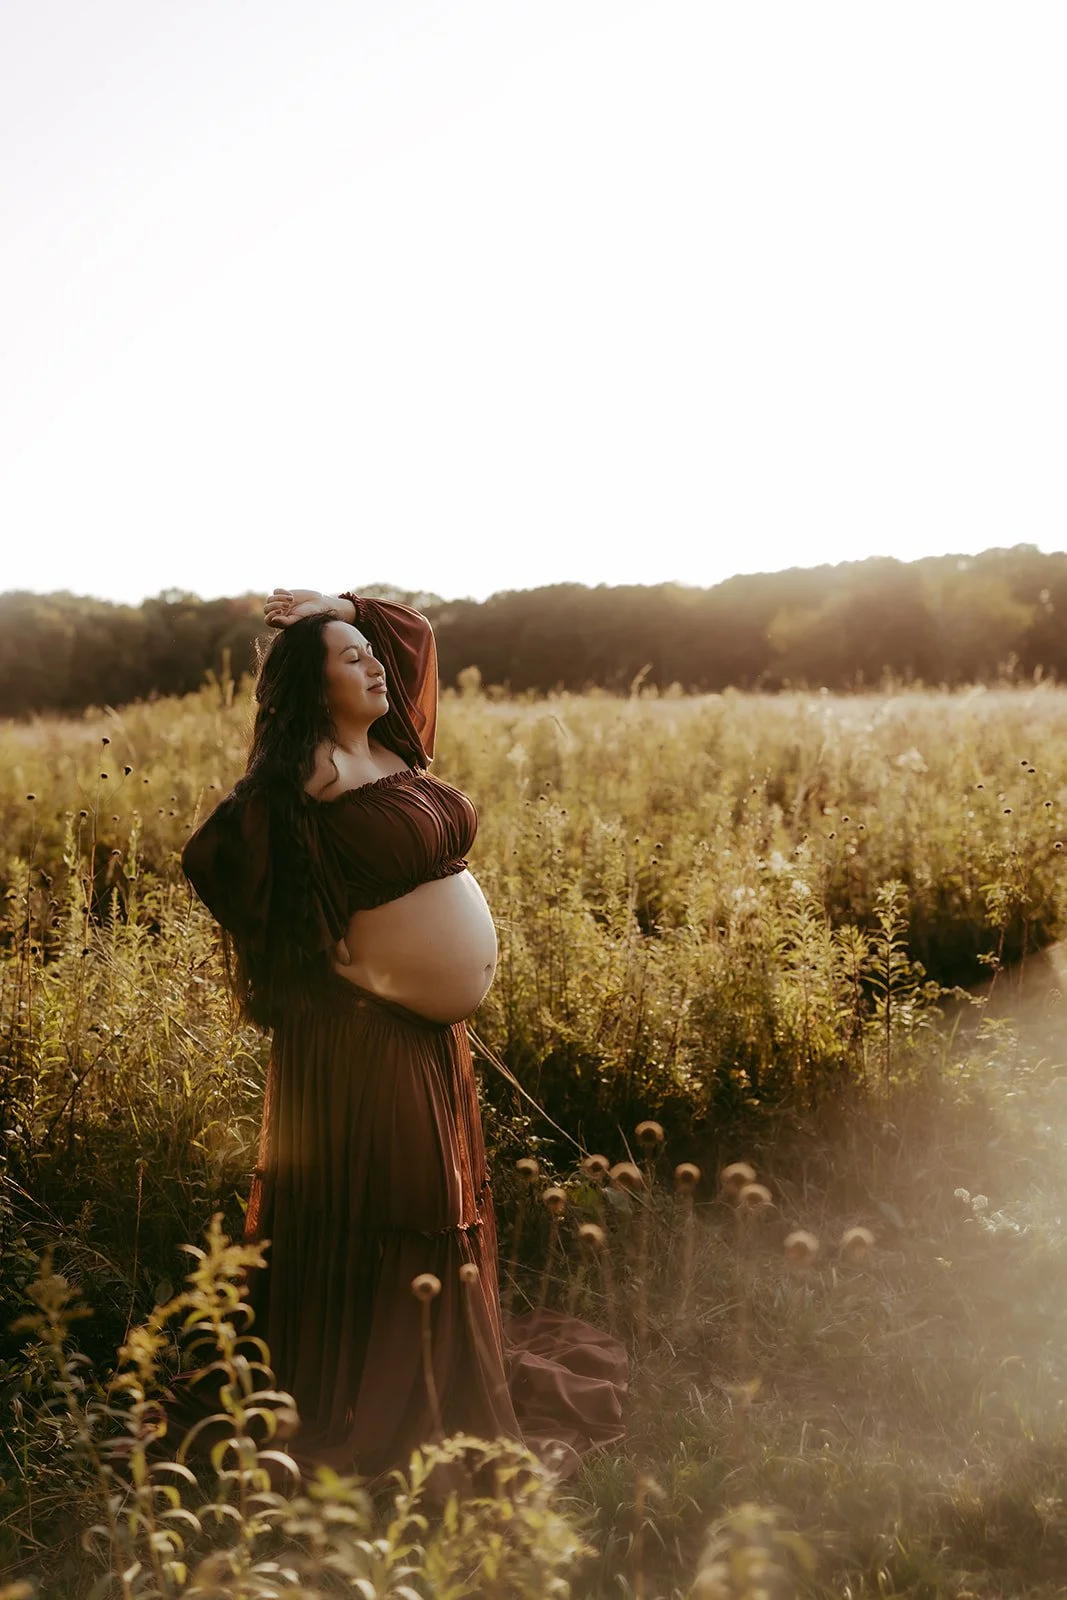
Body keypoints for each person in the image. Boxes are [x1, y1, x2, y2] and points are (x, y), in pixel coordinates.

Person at [179, 585, 627, 1494]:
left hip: (425, 1040)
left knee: (427, 1205)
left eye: (368, 654)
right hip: (361, 1036)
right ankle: (381, 1408)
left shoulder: (393, 746)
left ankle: (427, 1385)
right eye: (350, 658)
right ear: (311, 685)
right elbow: (213, 858)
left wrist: (339, 605)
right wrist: (315, 959)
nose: (374, 665)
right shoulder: (307, 773)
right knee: (400, 1211)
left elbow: (413, 638)